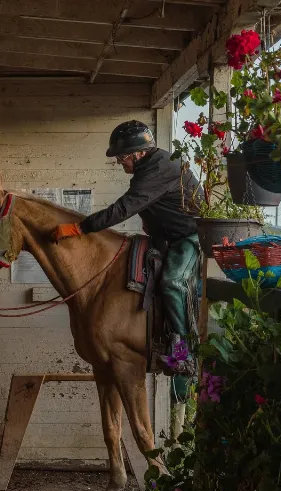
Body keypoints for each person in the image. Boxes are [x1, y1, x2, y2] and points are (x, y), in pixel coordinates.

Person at [52, 120, 203, 385]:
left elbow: (123, 209)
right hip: (165, 236)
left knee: (171, 281)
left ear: (139, 153)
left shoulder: (158, 168)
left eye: (122, 157)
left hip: (188, 237)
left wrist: (80, 228)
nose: (121, 163)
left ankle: (184, 351)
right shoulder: (151, 168)